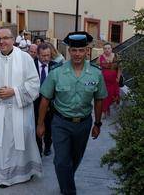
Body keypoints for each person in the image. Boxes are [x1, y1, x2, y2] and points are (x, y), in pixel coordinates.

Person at [37, 32, 107, 195]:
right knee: (61, 161)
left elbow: (99, 100)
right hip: (61, 123)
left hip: (83, 124)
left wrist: (97, 124)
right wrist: (40, 124)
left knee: (75, 159)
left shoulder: (96, 73)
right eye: (74, 50)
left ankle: (66, 182)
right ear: (69, 51)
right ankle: (69, 190)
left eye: (81, 50)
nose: (77, 54)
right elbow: (45, 99)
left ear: (87, 51)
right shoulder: (57, 72)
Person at [0, 28, 42, 187]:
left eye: (6, 38)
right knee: (2, 144)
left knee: (22, 141)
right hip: (1, 109)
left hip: (20, 110)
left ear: (13, 39)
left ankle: (25, 173)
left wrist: (14, 91)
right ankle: (4, 178)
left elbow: (34, 84)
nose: (2, 42)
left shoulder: (25, 58)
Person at [33, 43, 56, 157]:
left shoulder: (55, 66)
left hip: (51, 104)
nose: (46, 58)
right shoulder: (31, 66)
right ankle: (38, 148)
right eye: (43, 56)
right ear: (38, 55)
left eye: (48, 55)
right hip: (35, 103)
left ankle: (47, 145)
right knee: (37, 125)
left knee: (49, 126)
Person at [97, 42, 121, 118]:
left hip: (114, 81)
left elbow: (120, 68)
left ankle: (109, 108)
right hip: (104, 81)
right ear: (103, 49)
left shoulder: (117, 57)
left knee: (114, 95)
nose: (107, 50)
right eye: (105, 48)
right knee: (105, 96)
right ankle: (104, 111)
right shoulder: (100, 57)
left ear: (111, 49)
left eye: (108, 48)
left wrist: (118, 77)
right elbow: (96, 67)